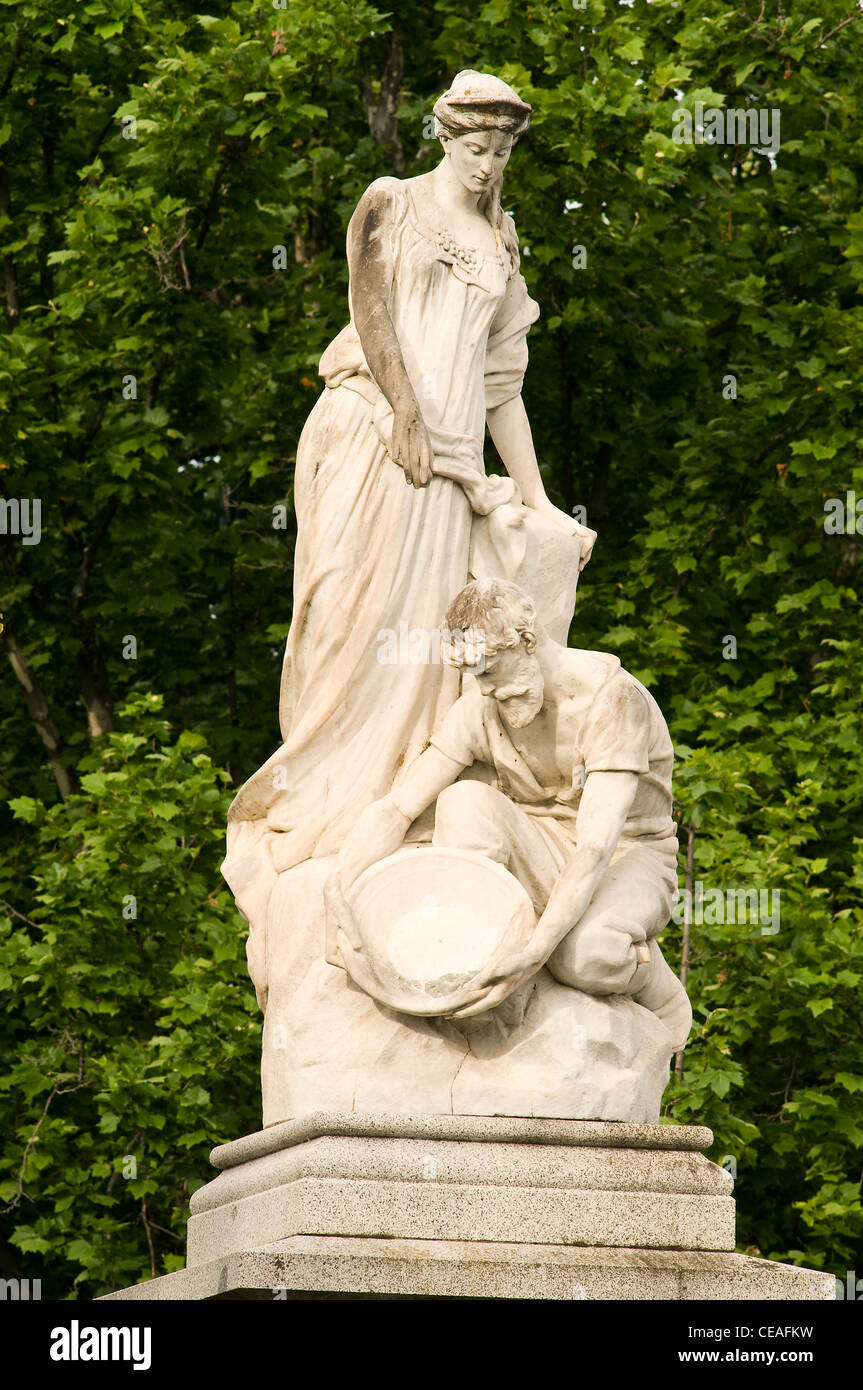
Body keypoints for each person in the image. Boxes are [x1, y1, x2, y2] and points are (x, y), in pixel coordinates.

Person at [222, 72, 596, 933]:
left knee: (430, 639)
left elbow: (503, 386)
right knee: (349, 615)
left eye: (501, 152)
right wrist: (401, 411)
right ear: (442, 138)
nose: (486, 165)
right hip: (374, 439)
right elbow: (373, 311)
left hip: (450, 467)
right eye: (475, 148)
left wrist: (538, 500)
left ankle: (404, 814)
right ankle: (324, 812)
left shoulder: (500, 239)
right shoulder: (394, 203)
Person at [330, 578, 691, 1046]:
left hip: (628, 855)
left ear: (529, 641)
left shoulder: (614, 702)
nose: (488, 690)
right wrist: (337, 893)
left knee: (585, 957)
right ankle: (475, 960)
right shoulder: (483, 705)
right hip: (541, 841)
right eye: (476, 676)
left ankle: (653, 980)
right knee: (462, 801)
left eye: (493, 671)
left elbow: (597, 847)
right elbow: (399, 807)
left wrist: (535, 953)